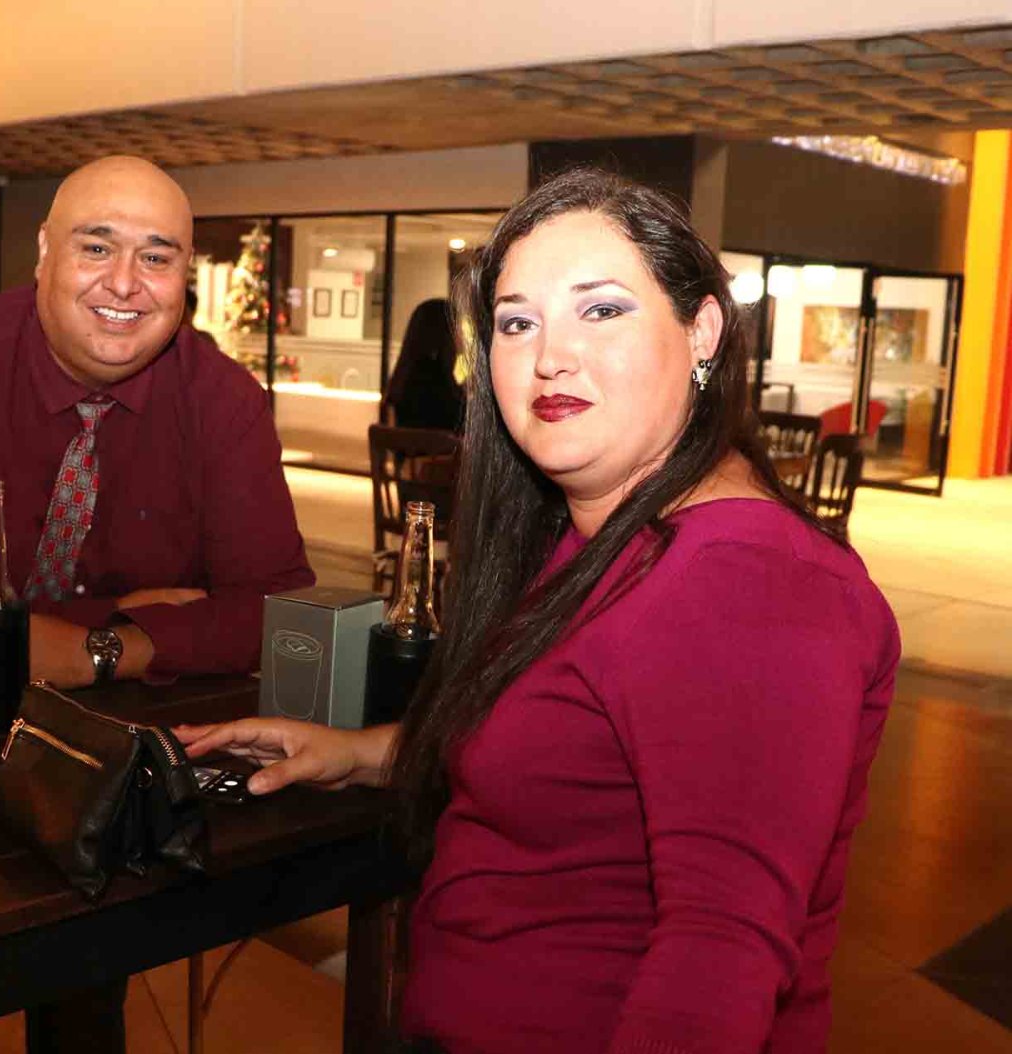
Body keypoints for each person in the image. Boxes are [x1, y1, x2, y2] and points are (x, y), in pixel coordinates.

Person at [178, 169, 899, 1054]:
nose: (551, 356)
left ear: (703, 331)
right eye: (518, 323)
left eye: (602, 310)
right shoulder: (599, 539)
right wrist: (358, 754)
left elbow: (717, 964)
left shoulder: (744, 581)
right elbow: (569, 753)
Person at [0, 155, 314, 687]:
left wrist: (107, 648)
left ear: (185, 273)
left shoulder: (224, 400)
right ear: (44, 251)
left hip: (159, 718)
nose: (124, 284)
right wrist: (113, 620)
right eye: (96, 249)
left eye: (155, 258)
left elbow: (283, 612)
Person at [384, 297, 465, 432]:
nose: (462, 336)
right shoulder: (438, 387)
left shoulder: (406, 384)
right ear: (445, 334)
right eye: (459, 328)